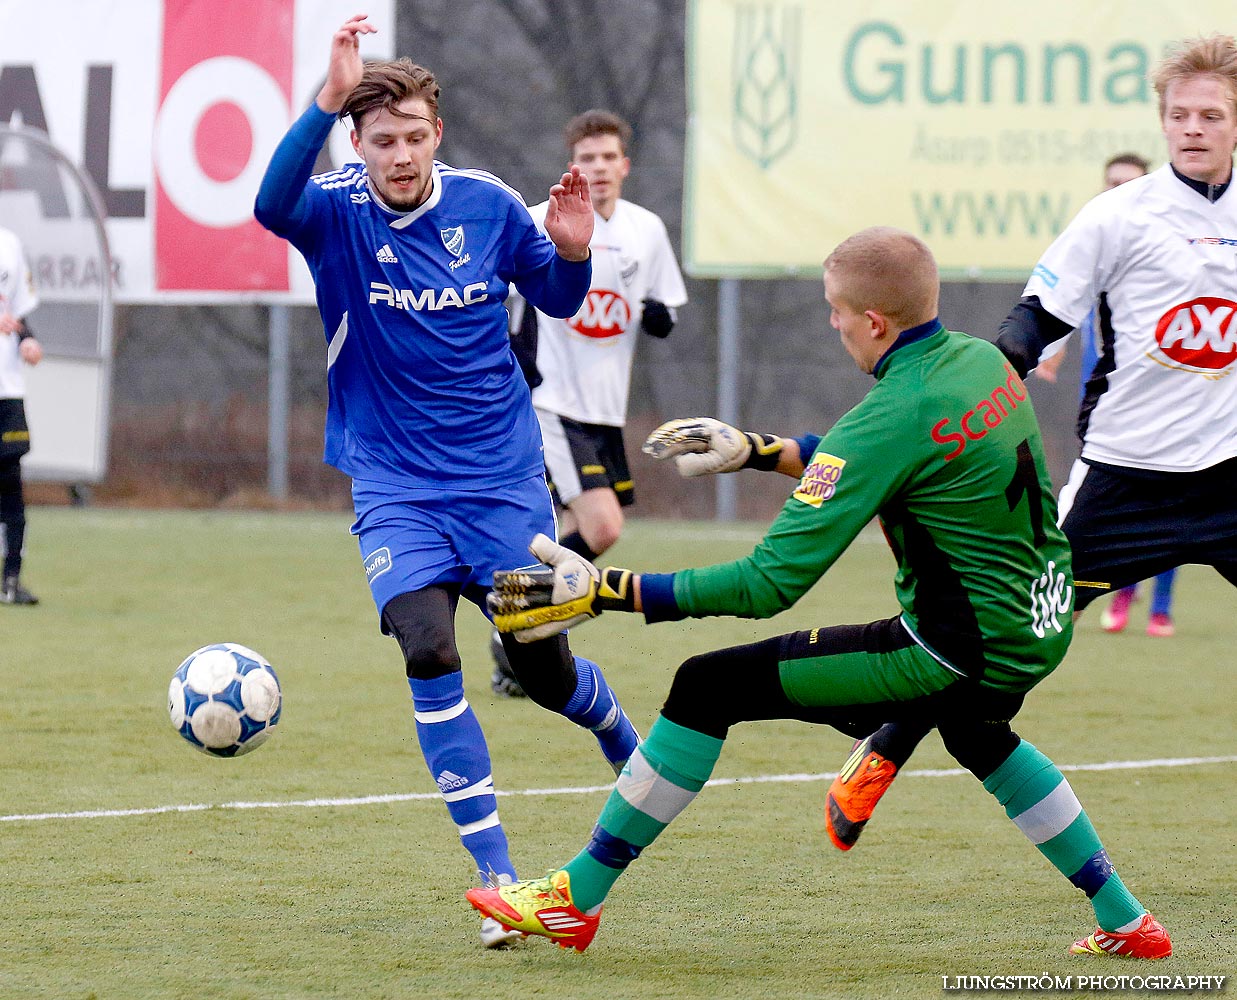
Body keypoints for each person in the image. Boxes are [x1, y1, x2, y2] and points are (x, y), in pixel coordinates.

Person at [468, 226, 1171, 959]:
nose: (832, 324)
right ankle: (1126, 920)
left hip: (955, 648)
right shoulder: (980, 361)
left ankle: (572, 900)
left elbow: (767, 583)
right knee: (977, 735)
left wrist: (604, 591)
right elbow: (875, 456)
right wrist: (756, 450)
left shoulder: (887, 417)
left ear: (874, 322)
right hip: (1039, 619)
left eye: (836, 310)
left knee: (706, 685)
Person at [253, 15, 641, 948]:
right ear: (357, 140)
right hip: (394, 486)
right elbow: (270, 204)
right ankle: (499, 878)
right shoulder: (335, 212)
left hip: (503, 483)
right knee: (427, 649)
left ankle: (624, 740)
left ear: (438, 134)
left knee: (543, 670)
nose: (399, 153)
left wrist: (574, 246)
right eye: (381, 138)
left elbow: (552, 296)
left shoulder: (489, 205)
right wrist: (323, 96)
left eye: (415, 135)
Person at [816, 34, 1237, 869]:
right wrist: (963, 393)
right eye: (1178, 114)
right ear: (1161, 120)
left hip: (1229, 479)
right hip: (1123, 483)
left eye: (1211, 115)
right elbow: (1033, 320)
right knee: (1002, 636)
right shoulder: (1119, 215)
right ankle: (885, 746)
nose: (1192, 128)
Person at [491, 109, 688, 698]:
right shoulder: (543, 220)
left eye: (608, 157)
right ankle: (511, 621)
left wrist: (659, 318)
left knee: (571, 528)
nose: (598, 168)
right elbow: (488, 286)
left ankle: (518, 632)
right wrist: (510, 350)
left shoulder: (646, 230)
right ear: (572, 165)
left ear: (624, 165)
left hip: (606, 410)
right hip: (551, 399)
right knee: (602, 527)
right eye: (587, 158)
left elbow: (664, 307)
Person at [1033, 153, 1180, 638]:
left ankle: (1159, 607)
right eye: (1112, 182)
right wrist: (1048, 354)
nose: (1119, 189)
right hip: (1105, 414)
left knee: (1173, 505)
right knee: (1108, 515)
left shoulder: (1165, 244)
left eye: (1129, 182)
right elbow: (1062, 306)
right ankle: (1110, 596)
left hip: (1169, 404)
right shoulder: (1097, 237)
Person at [0, 225, 44, 606]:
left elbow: (19, 313)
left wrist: (27, 339)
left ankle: (10, 580)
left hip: (7, 390)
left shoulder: (10, 243)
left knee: (10, 484)